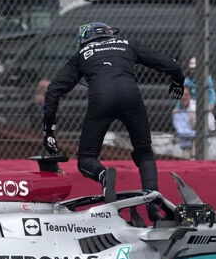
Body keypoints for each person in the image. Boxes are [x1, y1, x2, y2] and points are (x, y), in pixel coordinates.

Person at [43, 22, 184, 210]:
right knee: (144, 152)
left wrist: (49, 131)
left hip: (101, 100)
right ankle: (153, 202)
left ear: (84, 40)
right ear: (110, 35)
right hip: (131, 97)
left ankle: (102, 175)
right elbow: (169, 64)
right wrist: (178, 82)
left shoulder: (82, 54)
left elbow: (53, 90)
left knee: (86, 160)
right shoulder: (126, 44)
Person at [172, 87, 196, 159]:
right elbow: (182, 132)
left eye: (186, 95)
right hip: (187, 148)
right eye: (182, 95)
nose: (184, 97)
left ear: (190, 96)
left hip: (203, 147)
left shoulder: (197, 108)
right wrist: (198, 134)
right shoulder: (177, 114)